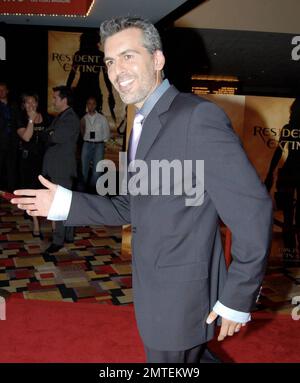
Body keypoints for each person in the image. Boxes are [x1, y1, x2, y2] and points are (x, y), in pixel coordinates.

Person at [11, 17, 273, 363]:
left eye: (128, 56)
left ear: (157, 60)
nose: (117, 69)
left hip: (181, 297)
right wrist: (65, 203)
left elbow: (252, 212)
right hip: (157, 289)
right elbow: (133, 206)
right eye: (109, 61)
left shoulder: (196, 117)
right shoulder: (143, 121)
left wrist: (237, 299)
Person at [42, 86, 80, 254]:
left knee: (59, 204)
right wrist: (49, 132)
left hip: (62, 169)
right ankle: (68, 235)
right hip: (59, 168)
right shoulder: (62, 117)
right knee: (65, 203)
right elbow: (49, 134)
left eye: (55, 97)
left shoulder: (70, 118)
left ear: (64, 99)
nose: (53, 100)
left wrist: (48, 133)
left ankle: (58, 241)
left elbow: (54, 136)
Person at [265, 98, 300, 261]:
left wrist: (270, 173)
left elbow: (278, 153)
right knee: (290, 214)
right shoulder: (288, 128)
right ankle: (292, 254)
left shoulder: (289, 128)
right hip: (291, 172)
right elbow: (278, 152)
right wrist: (270, 173)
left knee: (288, 215)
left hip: (288, 172)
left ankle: (290, 253)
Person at [17, 92, 49, 237]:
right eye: (27, 102)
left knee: (45, 190)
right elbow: (27, 137)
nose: (31, 105)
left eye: (33, 102)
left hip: (45, 160)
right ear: (24, 105)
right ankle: (35, 222)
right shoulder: (21, 118)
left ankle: (50, 218)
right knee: (31, 192)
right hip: (29, 161)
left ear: (37, 103)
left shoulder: (46, 117)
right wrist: (30, 120)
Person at [66, 31, 115, 119]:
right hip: (94, 88)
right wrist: (110, 92)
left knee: (78, 115)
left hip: (81, 88)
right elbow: (106, 77)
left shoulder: (79, 54)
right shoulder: (100, 55)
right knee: (95, 115)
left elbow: (72, 74)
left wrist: (66, 88)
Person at [81, 96, 110, 191]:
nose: (91, 105)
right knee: (83, 168)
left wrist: (103, 143)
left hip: (99, 145)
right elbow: (81, 130)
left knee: (97, 170)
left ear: (96, 105)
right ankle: (82, 191)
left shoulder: (102, 118)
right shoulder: (83, 118)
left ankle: (92, 190)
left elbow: (106, 132)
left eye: (93, 103)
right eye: (89, 103)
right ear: (87, 105)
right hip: (87, 144)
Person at [0, 82, 20, 192]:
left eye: (3, 89)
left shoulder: (14, 105)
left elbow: (19, 122)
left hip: (12, 142)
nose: (1, 92)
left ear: (7, 91)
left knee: (11, 168)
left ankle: (12, 192)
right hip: (1, 141)